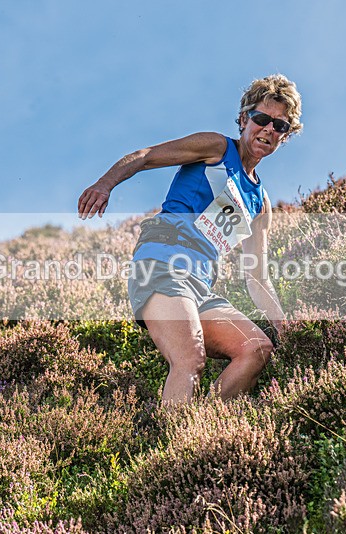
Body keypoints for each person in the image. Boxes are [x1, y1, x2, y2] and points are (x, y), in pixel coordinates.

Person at [77, 74, 303, 405]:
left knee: (255, 349)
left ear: (284, 137)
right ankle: (175, 453)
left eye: (279, 126)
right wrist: (104, 184)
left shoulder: (261, 204)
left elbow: (256, 276)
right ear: (244, 119)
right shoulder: (216, 147)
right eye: (261, 119)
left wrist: (285, 328)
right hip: (163, 262)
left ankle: (198, 433)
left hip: (200, 285)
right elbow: (146, 155)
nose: (268, 129)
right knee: (190, 358)